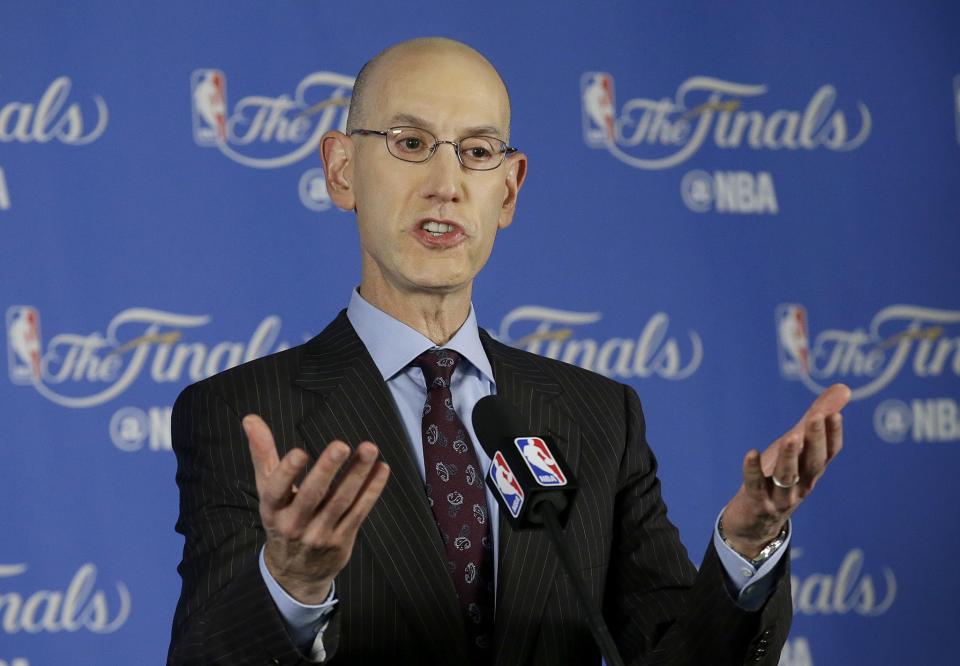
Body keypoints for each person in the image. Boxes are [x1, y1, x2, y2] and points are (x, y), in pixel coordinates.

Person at [168, 37, 849, 665]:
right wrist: (291, 585)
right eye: (410, 143)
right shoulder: (240, 411)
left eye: (477, 150)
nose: (446, 182)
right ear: (341, 170)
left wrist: (746, 544)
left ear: (509, 189)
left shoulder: (598, 415)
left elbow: (677, 655)